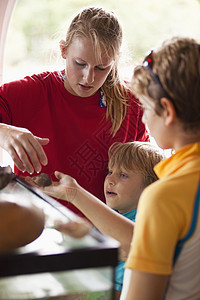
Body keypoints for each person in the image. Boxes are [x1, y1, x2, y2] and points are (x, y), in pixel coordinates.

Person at [41, 36, 200, 299]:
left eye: (146, 108)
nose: (145, 118)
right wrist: (74, 193)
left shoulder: (163, 197)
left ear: (167, 112)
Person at [0, 7, 149, 216]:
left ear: (115, 61)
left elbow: (147, 179)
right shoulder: (31, 92)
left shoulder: (132, 104)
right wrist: (3, 132)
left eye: (101, 68)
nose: (88, 78)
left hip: (106, 235)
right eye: (80, 63)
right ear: (63, 50)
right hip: (37, 226)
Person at [39, 141, 164, 299]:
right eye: (110, 172)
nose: (110, 180)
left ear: (150, 187)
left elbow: (120, 291)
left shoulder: (142, 223)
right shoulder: (108, 214)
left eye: (123, 175)